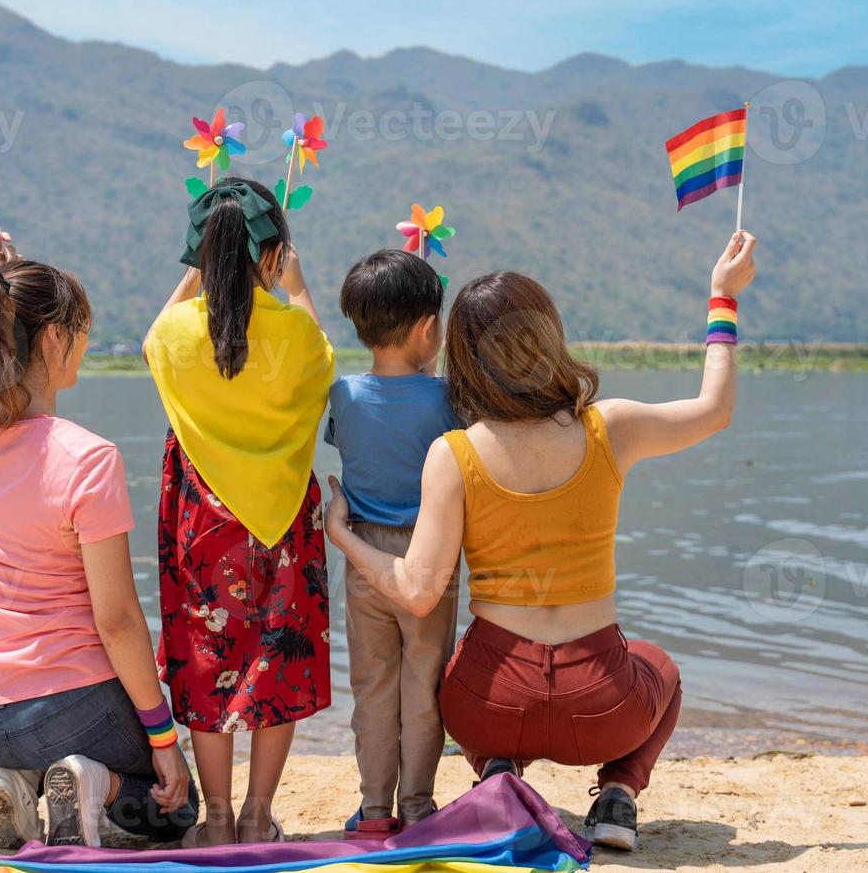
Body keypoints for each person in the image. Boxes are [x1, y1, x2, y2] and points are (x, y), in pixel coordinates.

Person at [324, 232, 758, 852]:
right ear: (549, 338)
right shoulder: (613, 427)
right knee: (662, 669)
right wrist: (723, 297)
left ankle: (499, 773)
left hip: (492, 708)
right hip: (602, 711)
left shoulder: (454, 453)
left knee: (446, 673)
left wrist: (342, 534)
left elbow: (416, 593)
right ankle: (617, 796)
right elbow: (714, 408)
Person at [0, 232, 197, 851]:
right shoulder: (87, 459)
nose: (84, 344)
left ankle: (17, 785)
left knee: (40, 755)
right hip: (73, 709)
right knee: (178, 807)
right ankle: (93, 785)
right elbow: (119, 620)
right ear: (53, 338)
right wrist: (163, 739)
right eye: (79, 330)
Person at [144, 177, 334, 846]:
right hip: (280, 523)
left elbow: (151, 340)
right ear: (274, 253)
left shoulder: (176, 332)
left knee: (205, 658)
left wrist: (196, 276)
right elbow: (322, 356)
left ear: (199, 253)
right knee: (275, 660)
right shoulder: (289, 331)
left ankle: (217, 816)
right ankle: (258, 812)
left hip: (204, 522)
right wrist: (297, 285)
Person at [323, 250, 461, 837]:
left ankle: (376, 810)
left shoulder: (343, 396)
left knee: (373, 688)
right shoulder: (447, 399)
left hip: (362, 558)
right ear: (429, 328)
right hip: (430, 557)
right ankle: (418, 807)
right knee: (423, 687)